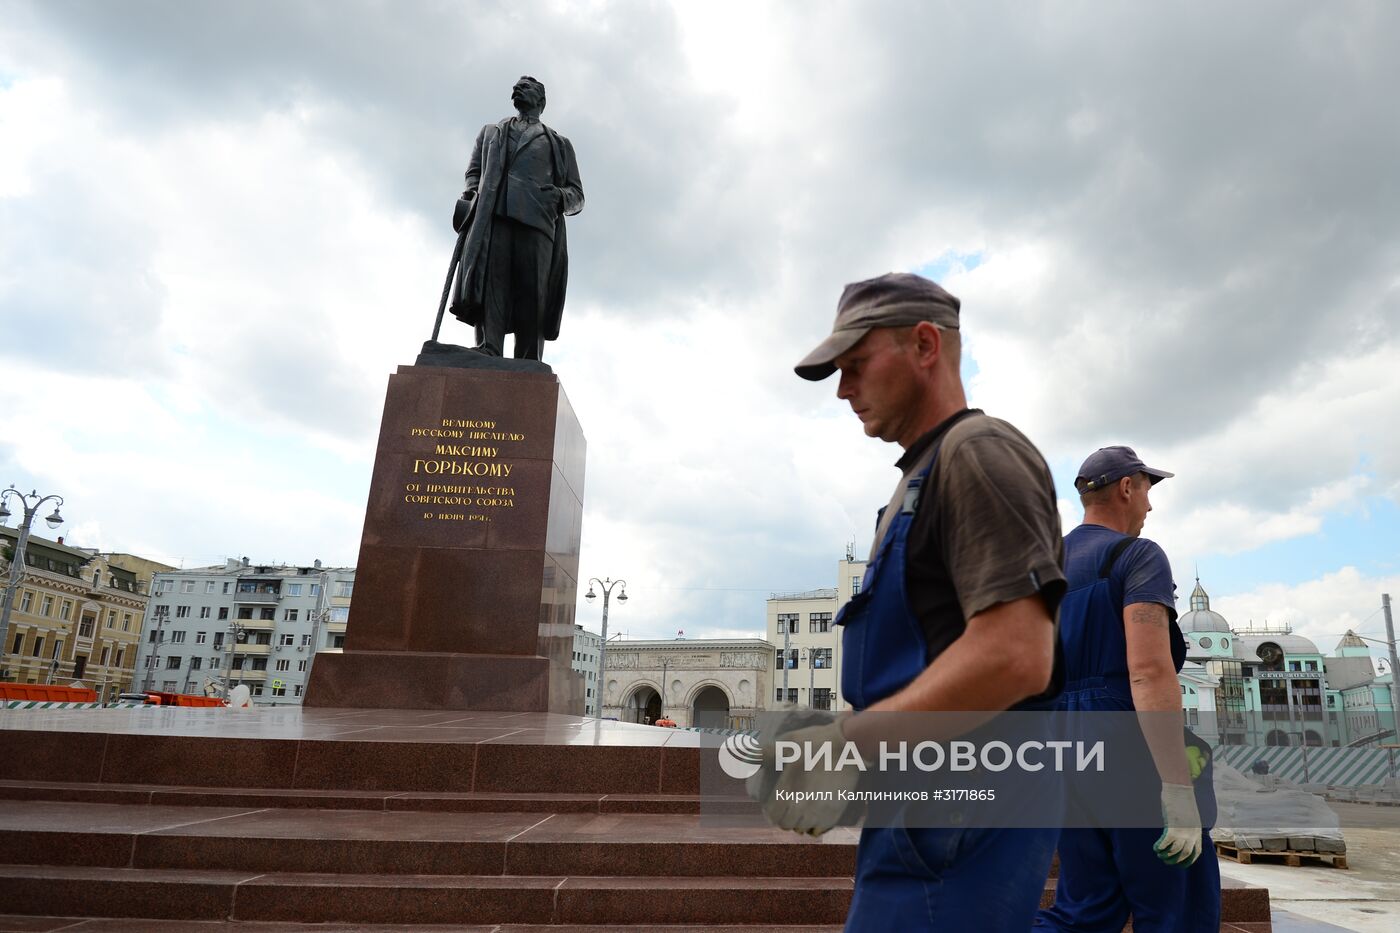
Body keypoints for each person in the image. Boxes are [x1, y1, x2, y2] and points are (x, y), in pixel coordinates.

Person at [773, 272, 1068, 930]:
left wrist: (845, 746)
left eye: (855, 365)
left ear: (926, 345)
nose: (845, 390)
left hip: (961, 813)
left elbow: (1018, 653)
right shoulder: (921, 475)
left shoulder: (979, 455)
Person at [1035, 446, 1220, 932]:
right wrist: (1178, 790)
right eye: (1147, 490)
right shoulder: (1138, 555)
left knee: (1085, 911)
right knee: (1176, 903)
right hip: (1125, 737)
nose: (1150, 506)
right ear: (1126, 487)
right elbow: (1149, 672)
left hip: (1058, 744)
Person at [448, 75, 583, 360]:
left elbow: (577, 195)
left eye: (528, 86)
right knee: (491, 284)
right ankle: (490, 346)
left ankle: (528, 359)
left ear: (542, 101)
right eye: (517, 86)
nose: (518, 89)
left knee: (533, 293)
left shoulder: (558, 143)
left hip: (537, 223)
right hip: (494, 216)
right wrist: (471, 194)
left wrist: (559, 197)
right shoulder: (491, 132)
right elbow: (474, 173)